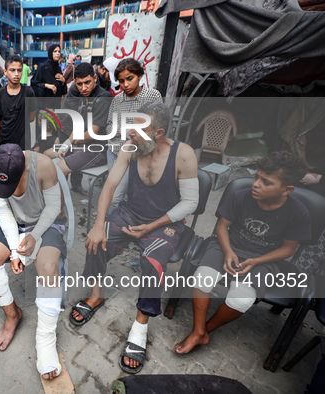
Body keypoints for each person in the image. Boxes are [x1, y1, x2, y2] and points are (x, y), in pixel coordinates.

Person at [70, 102, 199, 374]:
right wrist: (97, 224)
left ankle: (140, 327)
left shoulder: (183, 155)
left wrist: (152, 225)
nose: (129, 133)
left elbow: (190, 203)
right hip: (131, 213)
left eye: (138, 129)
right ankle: (96, 295)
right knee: (96, 239)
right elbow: (109, 186)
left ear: (158, 132)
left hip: (165, 222)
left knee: (153, 262)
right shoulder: (130, 148)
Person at [175, 151, 311, 355]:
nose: (256, 184)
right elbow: (222, 227)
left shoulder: (299, 213)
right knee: (202, 278)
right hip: (227, 244)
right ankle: (198, 331)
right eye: (256, 177)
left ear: (287, 189)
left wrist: (256, 261)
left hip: (265, 258)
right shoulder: (241, 196)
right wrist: (228, 251)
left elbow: (288, 249)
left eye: (266, 182)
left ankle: (206, 330)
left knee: (241, 300)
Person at [0, 144, 67, 381]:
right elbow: (4, 211)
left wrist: (34, 235)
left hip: (44, 222)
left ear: (25, 168)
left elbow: (54, 208)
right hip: (14, 224)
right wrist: (16, 252)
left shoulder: (44, 165)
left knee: (49, 268)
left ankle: (45, 337)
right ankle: (12, 315)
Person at [105, 58, 162, 210]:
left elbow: (158, 126)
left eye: (130, 79)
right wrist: (126, 130)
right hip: (116, 152)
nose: (126, 85)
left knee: (138, 195)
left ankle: (130, 224)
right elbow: (109, 127)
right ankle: (109, 228)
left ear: (139, 76)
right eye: (121, 81)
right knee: (115, 196)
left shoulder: (152, 96)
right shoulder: (117, 101)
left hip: (142, 153)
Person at [55, 62, 112, 193]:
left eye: (87, 82)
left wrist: (71, 142)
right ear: (75, 82)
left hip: (97, 150)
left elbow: (91, 134)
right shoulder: (83, 96)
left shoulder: (103, 98)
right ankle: (61, 207)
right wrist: (66, 144)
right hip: (82, 146)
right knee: (47, 162)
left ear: (95, 78)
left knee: (57, 170)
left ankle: (61, 209)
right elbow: (79, 126)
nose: (84, 87)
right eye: (79, 84)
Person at [0, 55, 36, 149]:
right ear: (5, 72)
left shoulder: (28, 91)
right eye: (12, 70)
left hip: (23, 143)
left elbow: (32, 117)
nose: (16, 74)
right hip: (4, 141)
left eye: (19, 70)